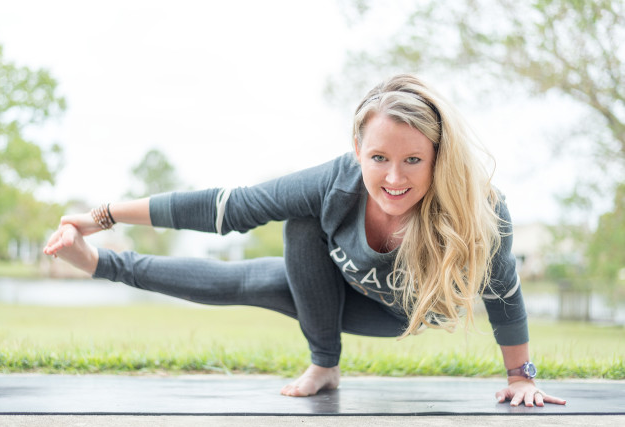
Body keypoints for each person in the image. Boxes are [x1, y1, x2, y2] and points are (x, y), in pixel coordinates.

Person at [44, 74, 566, 407]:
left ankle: (323, 364)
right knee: (262, 261)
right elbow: (227, 207)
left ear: (437, 158)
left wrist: (521, 377)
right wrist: (103, 214)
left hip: (397, 312)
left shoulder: (479, 209)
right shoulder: (335, 182)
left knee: (272, 260)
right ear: (357, 148)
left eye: (413, 161)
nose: (394, 179)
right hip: (330, 286)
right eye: (379, 158)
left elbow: (504, 294)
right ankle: (97, 265)